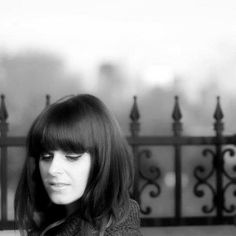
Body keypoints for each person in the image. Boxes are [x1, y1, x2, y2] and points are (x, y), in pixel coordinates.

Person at [14, 94, 142, 236]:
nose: (53, 169)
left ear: (102, 161)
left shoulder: (116, 232)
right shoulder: (52, 222)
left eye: (71, 157)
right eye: (46, 157)